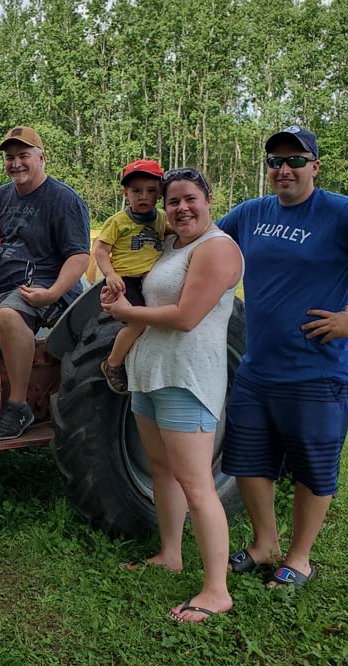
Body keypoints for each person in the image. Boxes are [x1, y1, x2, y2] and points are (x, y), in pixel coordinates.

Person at [218, 126, 348, 588]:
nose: (284, 169)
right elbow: (205, 243)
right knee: (249, 459)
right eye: (275, 161)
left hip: (319, 371)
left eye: (296, 160)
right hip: (258, 367)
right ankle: (264, 544)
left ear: (315, 166)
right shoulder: (251, 214)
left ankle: (300, 557)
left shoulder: (340, 212)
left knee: (313, 465)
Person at [101, 167, 242, 623]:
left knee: (197, 484)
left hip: (186, 378)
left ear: (208, 199)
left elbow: (185, 317)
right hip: (150, 375)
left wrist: (127, 310)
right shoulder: (172, 245)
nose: (181, 208)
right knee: (161, 470)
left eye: (189, 199)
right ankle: (170, 553)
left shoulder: (217, 249)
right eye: (173, 201)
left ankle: (216, 590)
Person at [0, 125, 90, 440]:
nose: (15, 163)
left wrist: (53, 292)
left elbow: (79, 257)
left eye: (23, 156)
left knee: (7, 315)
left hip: (42, 285)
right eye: (10, 157)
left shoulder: (63, 199)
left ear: (41, 157)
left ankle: (18, 406)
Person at [95, 159, 168, 394]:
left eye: (150, 191)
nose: (143, 196)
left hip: (152, 279)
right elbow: (101, 250)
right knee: (137, 322)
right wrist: (110, 274)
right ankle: (113, 363)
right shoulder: (118, 221)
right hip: (126, 280)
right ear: (126, 193)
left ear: (159, 194)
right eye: (136, 191)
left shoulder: (161, 219)